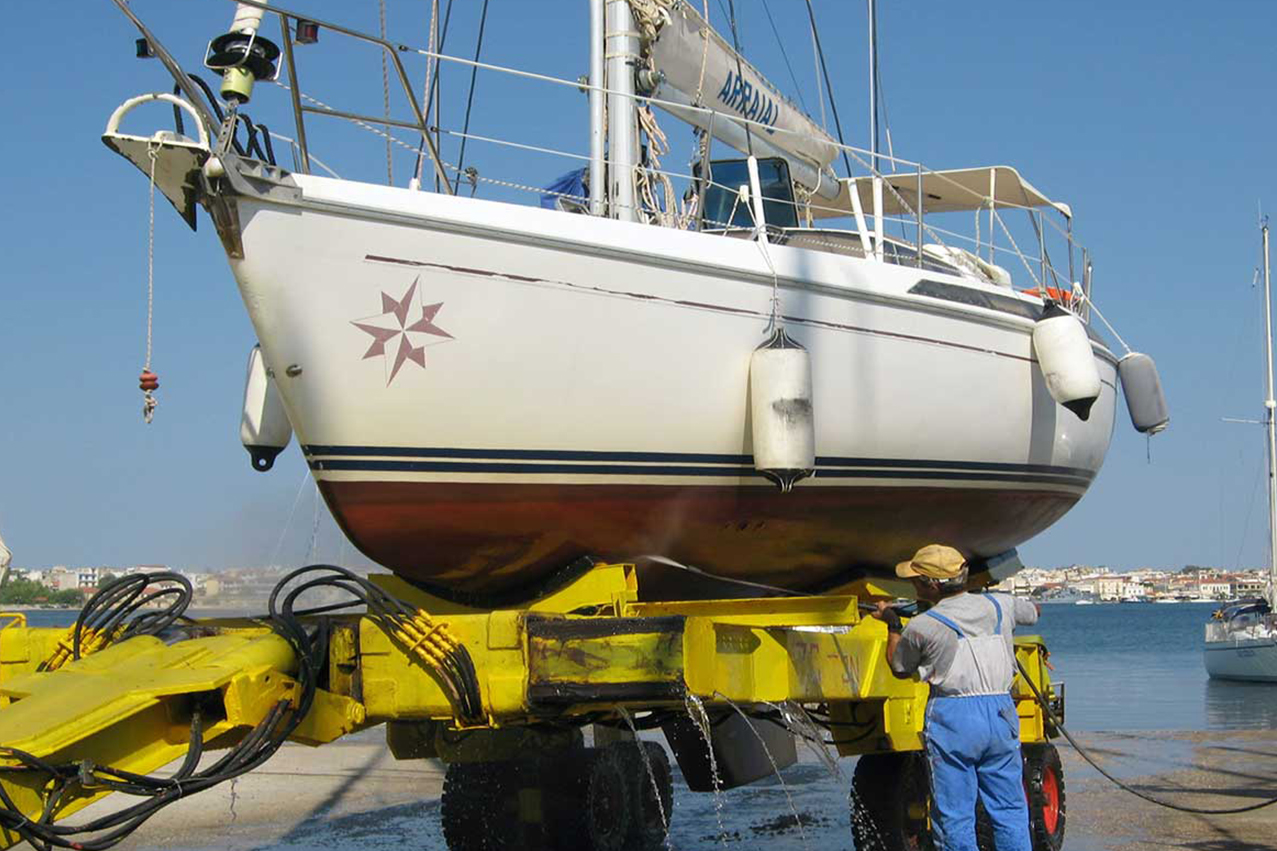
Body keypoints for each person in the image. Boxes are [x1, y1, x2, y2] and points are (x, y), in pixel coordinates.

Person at [873, 543, 1040, 851]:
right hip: (1001, 713)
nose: (911, 583)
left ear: (931, 584)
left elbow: (899, 666)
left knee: (954, 816)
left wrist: (893, 625)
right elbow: (1033, 612)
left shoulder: (924, 625)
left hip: (954, 717)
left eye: (916, 578)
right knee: (1010, 810)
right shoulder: (999, 605)